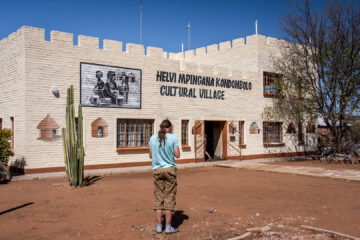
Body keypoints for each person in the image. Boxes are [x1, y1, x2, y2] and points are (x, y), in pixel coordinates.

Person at [149, 119, 180, 234]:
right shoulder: (173, 138)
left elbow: (151, 155)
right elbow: (177, 155)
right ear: (170, 127)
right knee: (169, 197)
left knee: (158, 198)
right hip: (170, 170)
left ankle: (158, 227)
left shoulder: (153, 138)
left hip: (157, 170)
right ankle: (168, 227)